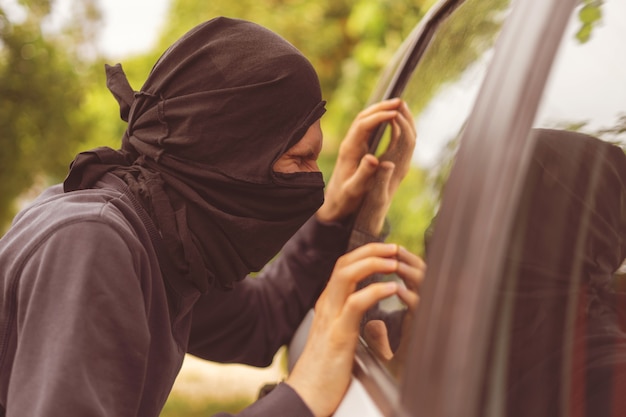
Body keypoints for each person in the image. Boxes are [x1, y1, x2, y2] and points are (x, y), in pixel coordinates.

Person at [0, 17, 423, 417]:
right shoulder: (93, 243)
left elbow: (258, 321)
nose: (315, 182)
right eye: (300, 159)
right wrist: (302, 398)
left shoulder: (166, 244)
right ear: (228, 154)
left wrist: (336, 215)